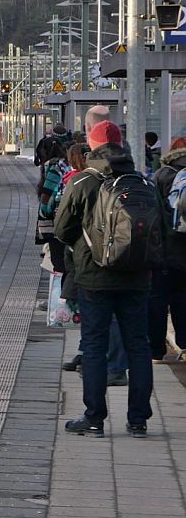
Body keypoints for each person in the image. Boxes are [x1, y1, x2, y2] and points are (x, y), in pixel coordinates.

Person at [54, 120, 155, 438]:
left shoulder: (83, 181)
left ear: (94, 146)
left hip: (94, 277)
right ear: (121, 144)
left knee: (95, 346)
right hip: (136, 277)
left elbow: (62, 229)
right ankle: (138, 420)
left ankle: (94, 418)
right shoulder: (141, 181)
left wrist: (85, 244)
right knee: (139, 346)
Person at [150, 136, 186, 363]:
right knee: (183, 299)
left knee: (157, 302)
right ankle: (184, 344)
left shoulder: (161, 175)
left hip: (163, 251)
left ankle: (155, 351)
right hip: (184, 252)